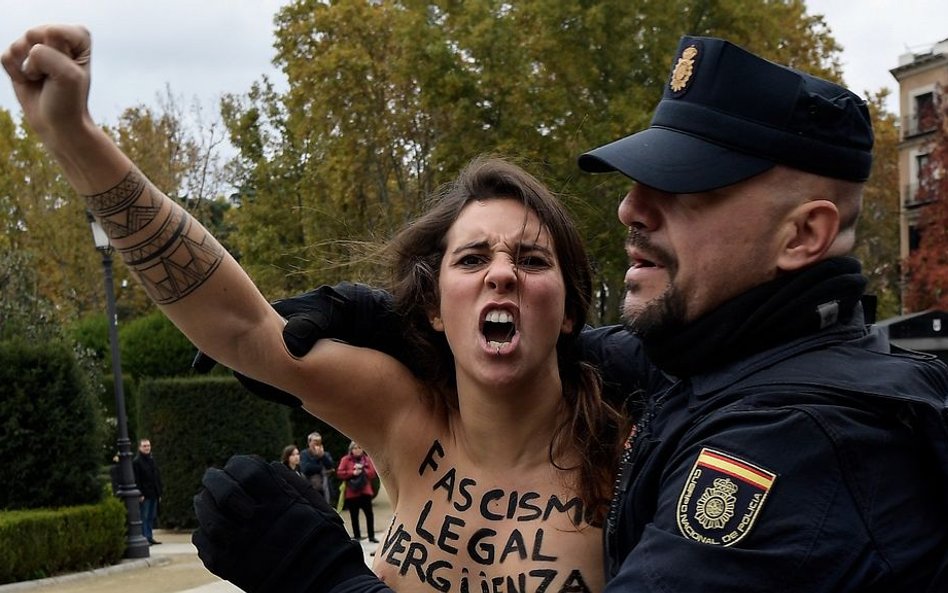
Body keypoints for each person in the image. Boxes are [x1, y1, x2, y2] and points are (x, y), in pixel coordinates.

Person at [189, 36, 948, 593]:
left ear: (804, 234)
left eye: (688, 187)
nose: (630, 208)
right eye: (639, 181)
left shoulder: (792, 448)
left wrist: (319, 578)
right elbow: (622, 356)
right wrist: (409, 323)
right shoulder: (746, 368)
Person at [1, 24, 624, 593]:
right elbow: (243, 329)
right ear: (434, 308)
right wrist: (75, 138)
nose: (502, 274)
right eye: (470, 259)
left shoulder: (629, 460)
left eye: (533, 260)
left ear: (571, 310)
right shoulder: (402, 413)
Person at [336, 441, 378, 542]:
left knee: (369, 514)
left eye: (360, 447)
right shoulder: (346, 459)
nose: (358, 450)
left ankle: (371, 536)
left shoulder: (367, 459)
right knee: (354, 515)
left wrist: (364, 470)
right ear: (351, 449)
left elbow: (373, 474)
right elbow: (340, 473)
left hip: (365, 491)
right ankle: (357, 535)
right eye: (355, 448)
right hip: (352, 492)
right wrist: (353, 472)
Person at [132, 438, 162, 545]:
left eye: (148, 446)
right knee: (144, 517)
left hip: (153, 493)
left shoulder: (151, 459)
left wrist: (159, 493)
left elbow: (156, 477)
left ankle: (149, 537)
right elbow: (137, 479)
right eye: (144, 446)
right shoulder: (137, 462)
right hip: (144, 494)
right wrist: (140, 493)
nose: (147, 448)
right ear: (140, 447)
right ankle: (144, 537)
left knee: (151, 517)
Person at [299, 431, 335, 503]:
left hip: (325, 488)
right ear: (309, 442)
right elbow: (305, 469)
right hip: (310, 487)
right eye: (315, 441)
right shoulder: (304, 454)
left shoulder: (325, 454)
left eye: (319, 441)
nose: (317, 443)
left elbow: (331, 466)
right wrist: (321, 467)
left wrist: (322, 456)